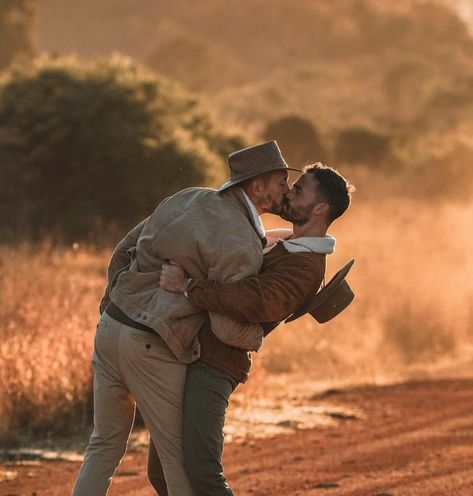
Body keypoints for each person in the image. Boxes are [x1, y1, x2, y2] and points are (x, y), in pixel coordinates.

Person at [72, 140, 300, 496]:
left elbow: (123, 250)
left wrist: (113, 301)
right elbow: (226, 328)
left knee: (103, 447)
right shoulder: (240, 242)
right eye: (281, 182)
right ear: (258, 187)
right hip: (152, 343)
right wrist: (257, 336)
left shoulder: (191, 196)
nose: (287, 190)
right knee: (178, 462)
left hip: (112, 326)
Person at [149, 163, 355, 495]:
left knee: (202, 474)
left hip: (216, 363)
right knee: (164, 473)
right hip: (195, 352)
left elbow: (256, 300)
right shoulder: (286, 244)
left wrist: (188, 286)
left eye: (299, 190)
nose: (288, 192)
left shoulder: (306, 267)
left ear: (320, 209)